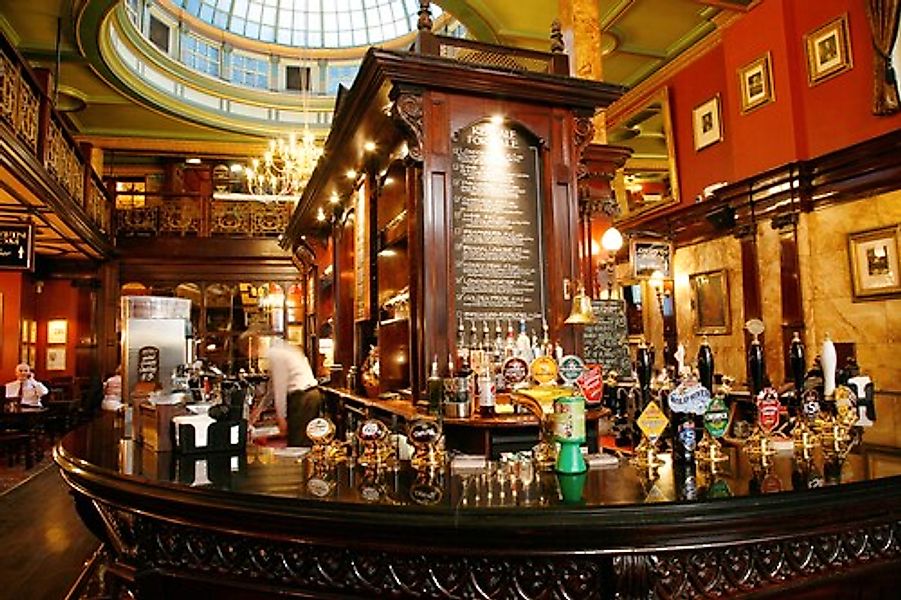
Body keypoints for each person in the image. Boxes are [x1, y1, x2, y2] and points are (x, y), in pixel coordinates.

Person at [265, 338, 321, 446]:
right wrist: (258, 411)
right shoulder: (286, 350)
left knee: (299, 441)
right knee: (304, 438)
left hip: (303, 397)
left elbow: (279, 387)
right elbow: (272, 390)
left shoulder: (275, 355)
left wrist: (281, 418)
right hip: (310, 394)